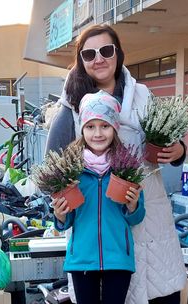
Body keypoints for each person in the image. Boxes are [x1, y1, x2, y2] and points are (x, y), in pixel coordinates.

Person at [46, 24, 188, 304]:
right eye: (89, 54)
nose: (98, 59)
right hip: (96, 225)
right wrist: (62, 207)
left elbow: (171, 138)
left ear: (118, 54)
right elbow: (52, 166)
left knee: (157, 288)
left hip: (146, 213)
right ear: (81, 60)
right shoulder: (72, 105)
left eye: (106, 50)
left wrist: (179, 149)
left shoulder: (143, 96)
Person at [53, 91, 145, 304]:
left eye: (104, 126)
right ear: (82, 129)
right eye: (90, 126)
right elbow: (66, 221)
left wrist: (133, 206)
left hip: (118, 258)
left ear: (114, 128)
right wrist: (59, 214)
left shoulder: (126, 166)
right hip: (82, 259)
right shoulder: (70, 168)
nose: (98, 133)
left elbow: (137, 217)